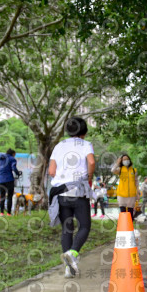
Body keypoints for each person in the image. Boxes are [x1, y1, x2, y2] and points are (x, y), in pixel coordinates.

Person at [48, 117, 95, 278]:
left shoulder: (59, 146)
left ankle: (69, 269)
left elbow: (51, 171)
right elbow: (91, 162)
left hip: (61, 192)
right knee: (84, 226)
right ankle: (73, 253)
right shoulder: (86, 144)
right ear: (84, 131)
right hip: (78, 191)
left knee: (67, 229)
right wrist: (88, 177)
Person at [0, 148, 21, 217]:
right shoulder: (12, 159)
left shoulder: (0, 159)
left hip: (0, 180)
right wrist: (18, 173)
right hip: (9, 179)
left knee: (2, 196)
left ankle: (1, 213)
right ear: (13, 154)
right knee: (9, 196)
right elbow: (13, 168)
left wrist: (0, 173)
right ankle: (9, 213)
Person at [112, 154, 139, 218]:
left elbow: (136, 182)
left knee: (130, 213)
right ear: (121, 161)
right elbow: (113, 170)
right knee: (123, 212)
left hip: (131, 194)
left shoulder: (134, 170)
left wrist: (137, 192)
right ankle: (123, 224)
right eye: (124, 159)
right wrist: (117, 163)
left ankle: (130, 224)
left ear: (129, 160)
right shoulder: (120, 169)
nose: (126, 160)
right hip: (121, 194)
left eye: (127, 159)